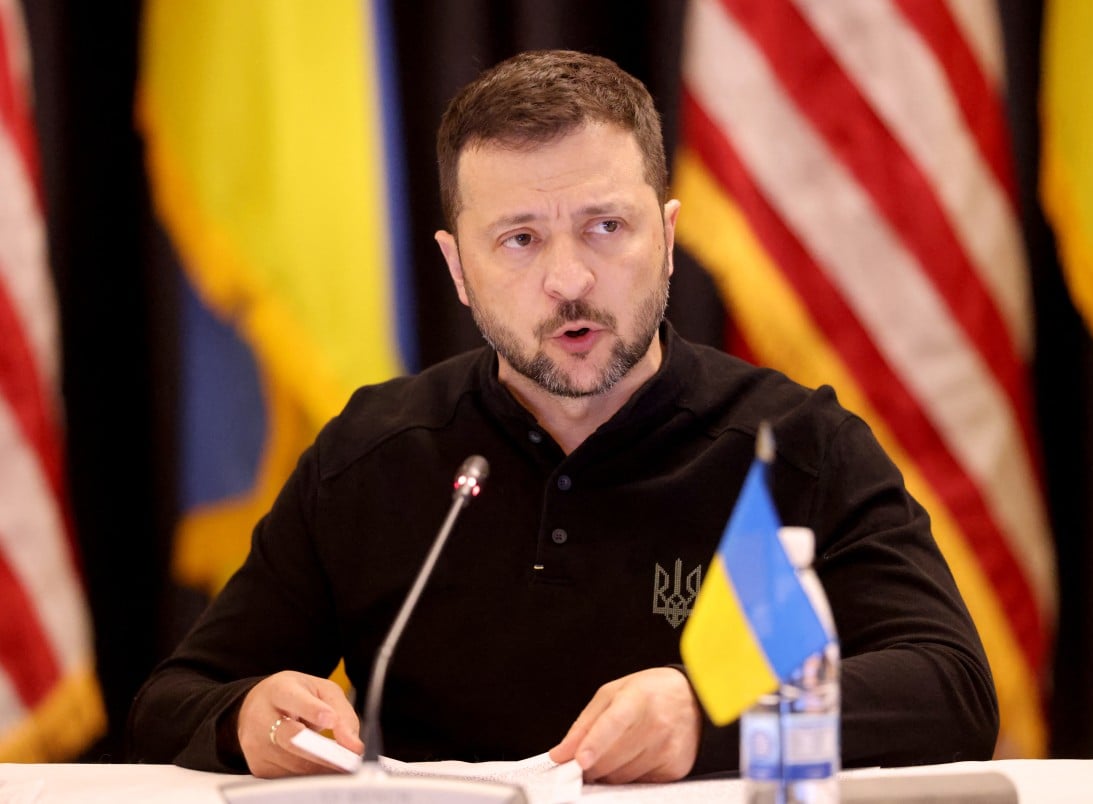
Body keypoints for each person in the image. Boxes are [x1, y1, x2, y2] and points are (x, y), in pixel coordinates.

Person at [127, 49, 997, 783]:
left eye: (606, 227)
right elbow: (174, 702)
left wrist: (711, 717)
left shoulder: (790, 448)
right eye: (520, 239)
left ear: (666, 235)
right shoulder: (375, 454)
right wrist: (249, 717)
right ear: (457, 268)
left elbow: (950, 689)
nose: (570, 279)